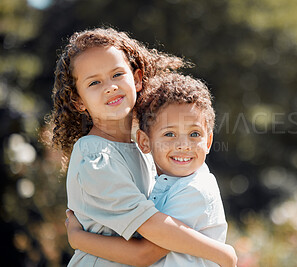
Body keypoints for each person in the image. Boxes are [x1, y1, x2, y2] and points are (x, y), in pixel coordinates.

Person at [48, 27, 237, 267]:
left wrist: (79, 238)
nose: (110, 87)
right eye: (94, 82)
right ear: (78, 101)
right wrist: (223, 254)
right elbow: (144, 253)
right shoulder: (96, 157)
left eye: (117, 74)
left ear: (136, 79)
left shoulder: (145, 150)